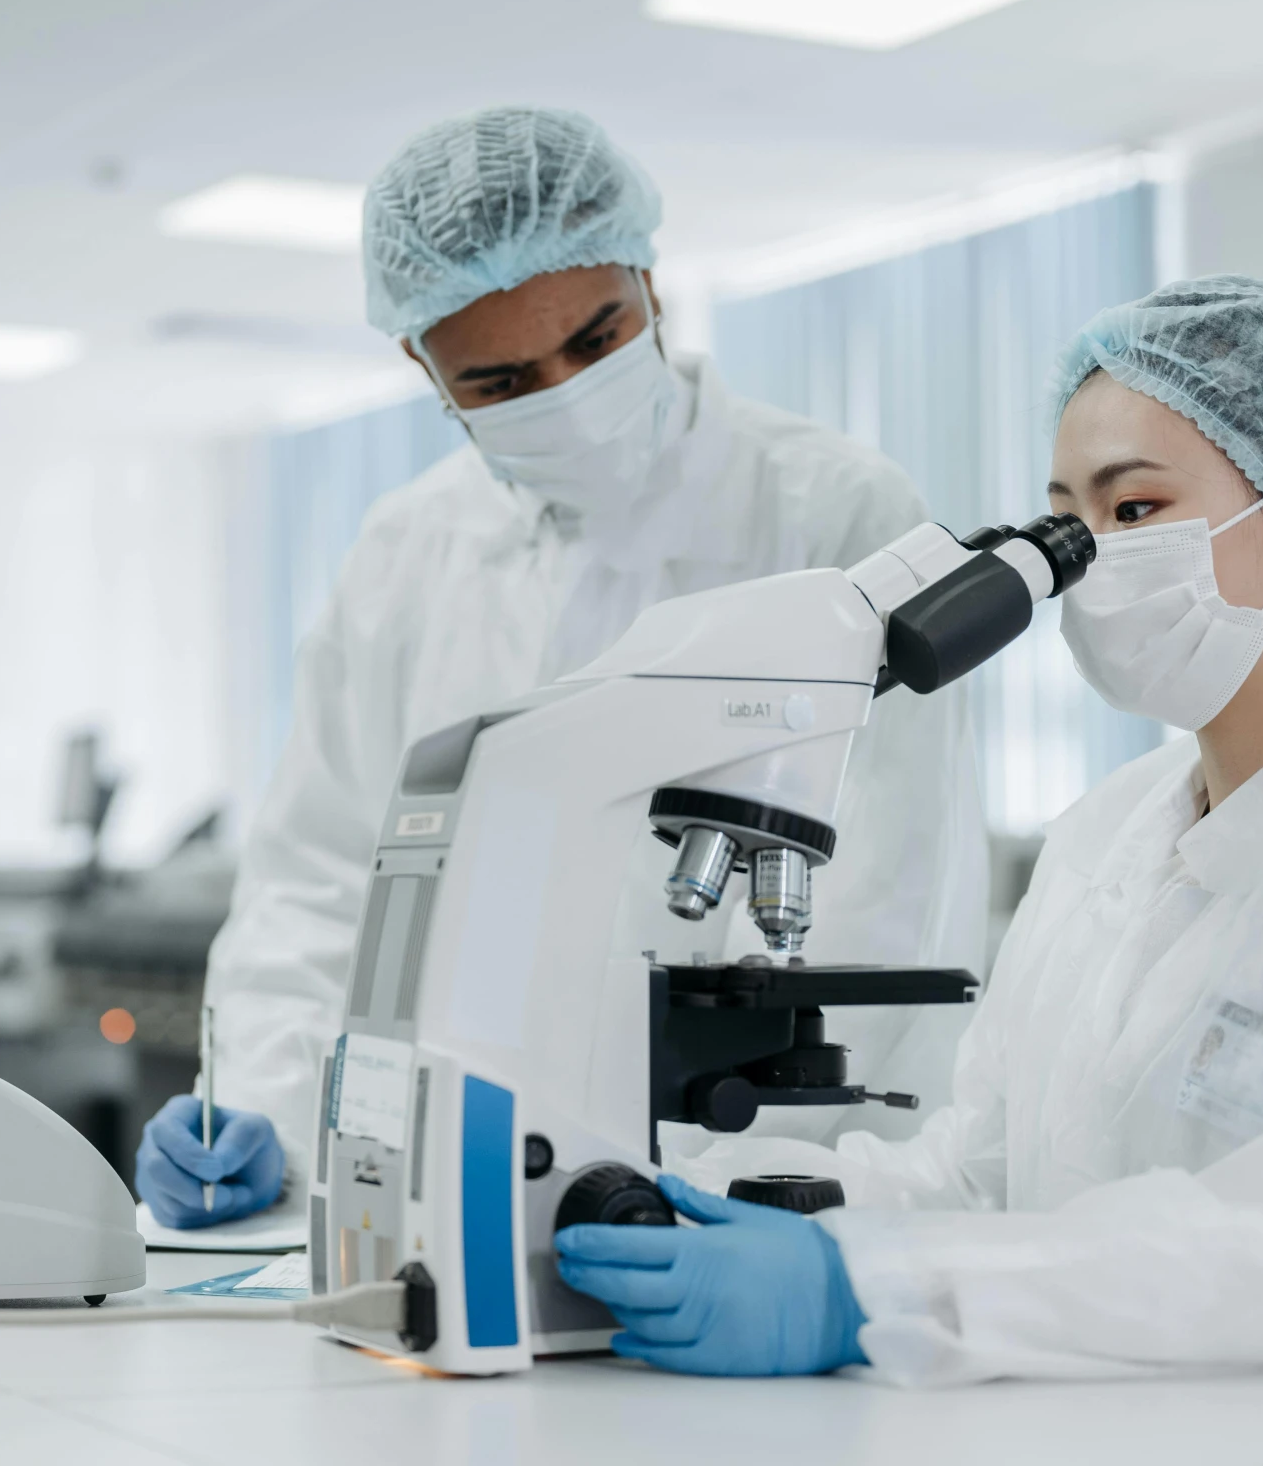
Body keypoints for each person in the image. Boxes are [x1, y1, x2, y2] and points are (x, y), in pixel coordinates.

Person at [557, 276, 1263, 1396]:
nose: (1094, 564)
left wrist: (875, 1294)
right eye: (1069, 524)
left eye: (1134, 511)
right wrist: (709, 1197)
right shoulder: (1107, 835)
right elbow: (982, 1179)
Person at [135, 107, 988, 1228]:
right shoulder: (405, 554)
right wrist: (266, 1113)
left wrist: (690, 1182)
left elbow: (882, 897)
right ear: (421, 363)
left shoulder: (833, 512)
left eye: (595, 340)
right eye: (501, 382)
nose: (567, 394)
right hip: (456, 1180)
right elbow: (321, 882)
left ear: (650, 281)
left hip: (749, 1187)